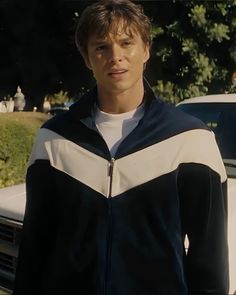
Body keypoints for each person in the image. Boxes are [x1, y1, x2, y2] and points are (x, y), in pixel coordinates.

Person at [13, 0, 229, 294]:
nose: (115, 57)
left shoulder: (191, 140)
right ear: (87, 58)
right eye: (101, 47)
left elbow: (210, 260)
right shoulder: (53, 140)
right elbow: (34, 250)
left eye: (126, 43)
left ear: (146, 50)